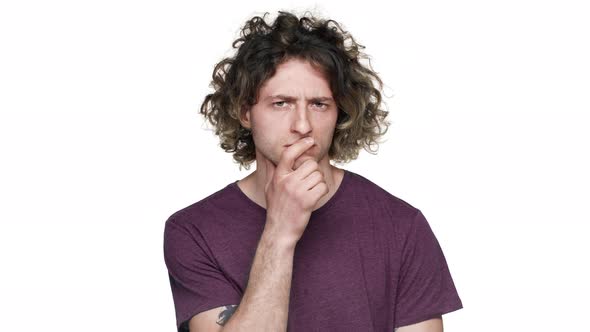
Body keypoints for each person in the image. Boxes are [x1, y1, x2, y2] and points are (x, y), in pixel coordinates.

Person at [163, 10, 463, 332]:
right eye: (282, 103)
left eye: (319, 104)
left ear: (340, 114)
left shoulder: (402, 227)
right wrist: (279, 233)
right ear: (244, 112)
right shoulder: (194, 231)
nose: (303, 125)